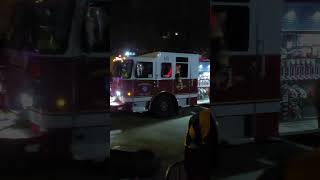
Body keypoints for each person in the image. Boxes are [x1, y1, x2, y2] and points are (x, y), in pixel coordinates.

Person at [184, 107, 219, 180]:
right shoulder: (207, 117)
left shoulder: (197, 118)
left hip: (198, 156)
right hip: (205, 155)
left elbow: (189, 141)